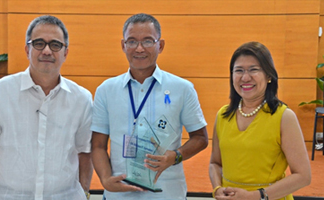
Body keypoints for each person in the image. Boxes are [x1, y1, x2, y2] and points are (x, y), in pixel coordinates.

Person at [0, 15, 93, 200]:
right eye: (39, 43)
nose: (47, 51)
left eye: (56, 45)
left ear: (65, 52)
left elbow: (85, 152)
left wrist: (84, 193)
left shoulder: (82, 98)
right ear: (27, 49)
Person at [90, 13, 209, 200]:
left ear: (160, 45)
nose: (139, 48)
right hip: (119, 195)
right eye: (131, 41)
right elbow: (97, 145)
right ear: (123, 45)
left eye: (147, 41)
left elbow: (201, 138)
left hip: (168, 194)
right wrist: (105, 179)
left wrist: (175, 156)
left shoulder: (182, 88)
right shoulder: (106, 90)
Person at [209, 41, 311, 200]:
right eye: (239, 70)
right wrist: (217, 188)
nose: (245, 77)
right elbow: (215, 163)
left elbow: (303, 176)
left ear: (269, 75)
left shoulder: (284, 116)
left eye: (253, 70)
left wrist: (256, 196)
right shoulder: (223, 115)